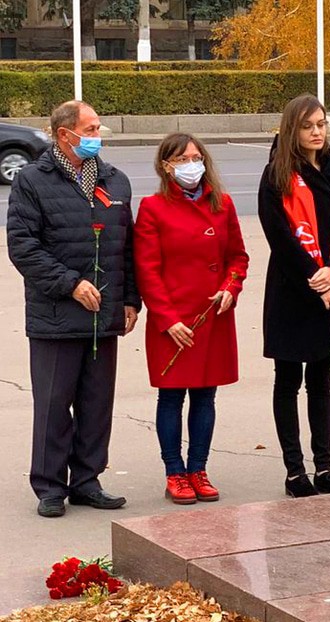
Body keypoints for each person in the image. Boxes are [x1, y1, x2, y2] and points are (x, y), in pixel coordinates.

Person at [7, 100, 140, 518]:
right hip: (55, 316)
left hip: (105, 314)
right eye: (92, 128)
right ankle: (49, 485)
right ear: (66, 134)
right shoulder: (32, 181)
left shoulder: (114, 181)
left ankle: (86, 480)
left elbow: (128, 245)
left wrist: (132, 299)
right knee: (53, 403)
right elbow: (23, 247)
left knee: (96, 402)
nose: (98, 136)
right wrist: (71, 284)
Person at [258, 94, 330, 498]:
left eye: (321, 124)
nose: (317, 132)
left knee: (321, 380)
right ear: (292, 130)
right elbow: (280, 239)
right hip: (293, 290)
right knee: (288, 380)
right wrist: (316, 280)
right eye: (308, 126)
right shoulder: (276, 175)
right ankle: (294, 471)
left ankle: (324, 467)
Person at [135, 133, 249, 504]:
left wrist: (231, 287)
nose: (191, 165)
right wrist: (167, 319)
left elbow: (238, 257)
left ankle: (198, 469)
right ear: (166, 166)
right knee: (171, 398)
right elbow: (147, 270)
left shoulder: (223, 204)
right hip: (173, 321)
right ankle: (174, 472)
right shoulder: (152, 208)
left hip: (212, 316)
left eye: (196, 157)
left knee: (205, 397)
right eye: (182, 159)